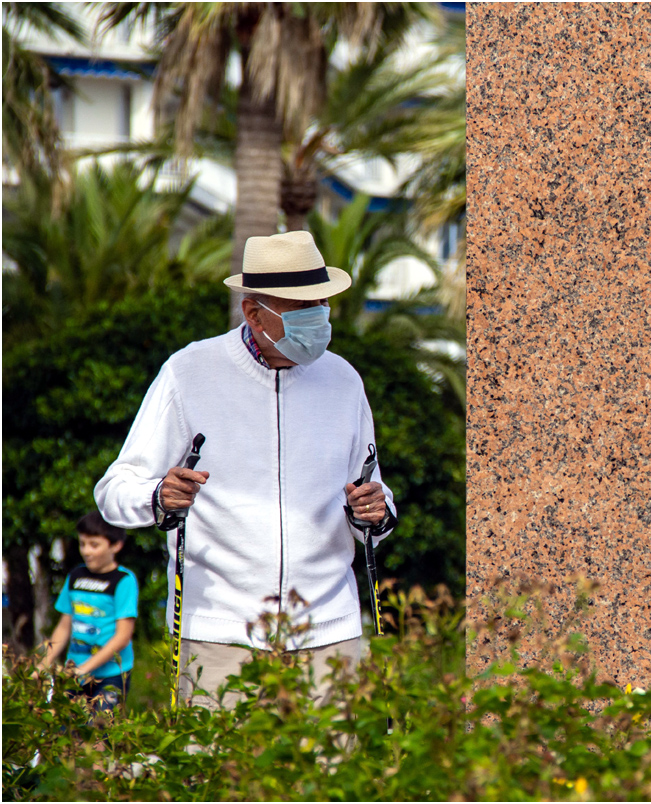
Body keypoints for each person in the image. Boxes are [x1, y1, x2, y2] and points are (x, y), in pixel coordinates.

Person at [95, 230, 397, 710]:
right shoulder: (189, 372)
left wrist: (376, 511)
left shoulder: (343, 379)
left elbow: (372, 497)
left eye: (321, 304)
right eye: (301, 309)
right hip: (219, 634)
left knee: (332, 784)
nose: (318, 318)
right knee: (220, 783)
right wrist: (158, 496)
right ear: (253, 313)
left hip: (330, 633)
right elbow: (114, 491)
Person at [38, 512, 138, 713]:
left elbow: (123, 636)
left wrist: (85, 668)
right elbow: (64, 626)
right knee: (64, 733)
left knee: (100, 735)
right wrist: (43, 664)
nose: (86, 551)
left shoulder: (123, 580)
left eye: (94, 545)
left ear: (115, 545)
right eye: (82, 544)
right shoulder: (76, 576)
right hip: (73, 673)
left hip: (110, 674)